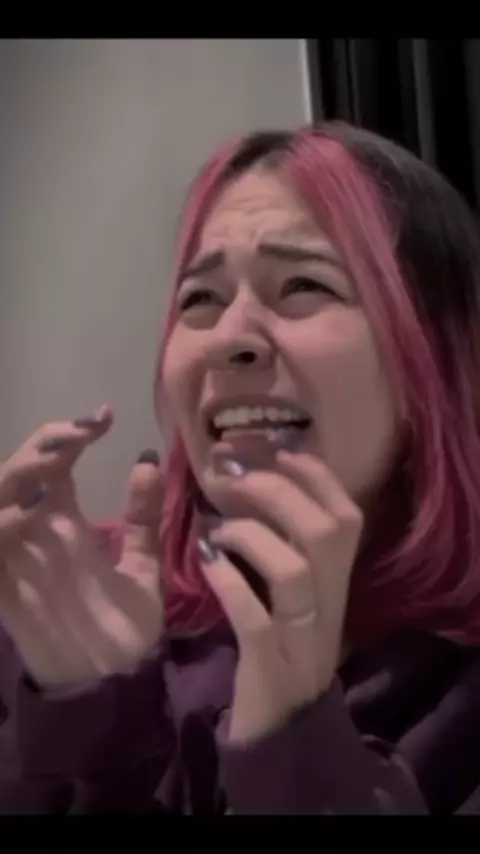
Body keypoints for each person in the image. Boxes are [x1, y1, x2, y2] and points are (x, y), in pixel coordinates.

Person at [1, 122, 480, 815]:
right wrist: (85, 727)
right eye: (201, 298)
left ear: (432, 359)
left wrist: (294, 750)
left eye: (304, 284)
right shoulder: (67, 611)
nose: (229, 339)